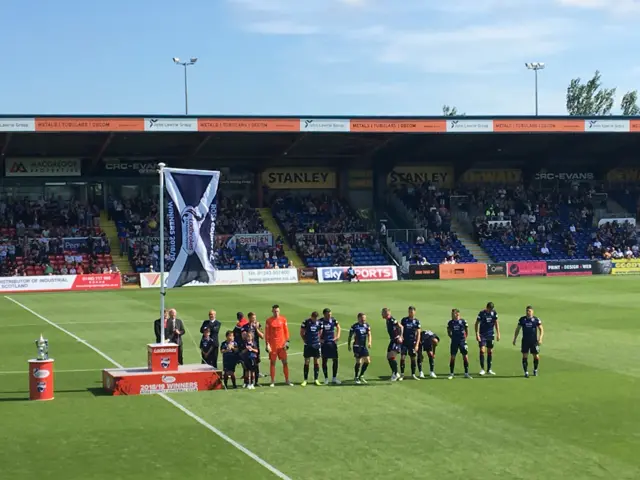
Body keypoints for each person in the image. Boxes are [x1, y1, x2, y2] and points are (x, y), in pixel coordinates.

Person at [265, 304, 292, 387]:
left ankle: (287, 380)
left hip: (282, 345)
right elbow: (267, 333)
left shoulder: (283, 319)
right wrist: (267, 344)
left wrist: (287, 341)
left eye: (277, 311)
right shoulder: (269, 320)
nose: (276, 312)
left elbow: (286, 331)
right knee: (272, 363)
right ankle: (272, 381)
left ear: (279, 311)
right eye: (275, 311)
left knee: (285, 362)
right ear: (272, 311)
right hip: (273, 345)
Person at [513, 305, 544, 378]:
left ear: (532, 312)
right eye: (527, 311)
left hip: (534, 341)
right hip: (525, 341)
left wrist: (540, 338)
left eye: (529, 311)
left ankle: (535, 370)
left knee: (536, 356)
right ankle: (526, 372)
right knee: (524, 356)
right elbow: (518, 329)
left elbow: (541, 329)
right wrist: (515, 338)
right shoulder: (522, 319)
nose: (528, 312)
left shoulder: (536, 320)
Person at [475, 302, 500, 376]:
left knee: (490, 350)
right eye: (489, 309)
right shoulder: (482, 313)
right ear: (487, 308)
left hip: (490, 334)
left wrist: (498, 333)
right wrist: (477, 334)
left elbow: (496, 323)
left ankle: (489, 369)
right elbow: (476, 323)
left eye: (491, 309)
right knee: (482, 350)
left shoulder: (494, 313)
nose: (490, 310)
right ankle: (482, 369)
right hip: (482, 334)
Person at [447, 308, 472, 379]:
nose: (452, 315)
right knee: (452, 357)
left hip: (462, 341)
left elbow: (466, 330)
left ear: (457, 314)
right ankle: (451, 373)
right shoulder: (450, 322)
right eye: (451, 314)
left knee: (465, 356)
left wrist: (464, 338)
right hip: (454, 341)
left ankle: (466, 373)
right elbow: (448, 331)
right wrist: (451, 337)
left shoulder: (463, 321)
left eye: (453, 314)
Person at [348, 312, 372, 384]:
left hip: (363, 346)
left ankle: (361, 375)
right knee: (358, 362)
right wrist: (349, 345)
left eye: (364, 319)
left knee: (367, 361)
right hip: (356, 346)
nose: (363, 320)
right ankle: (356, 377)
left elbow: (369, 334)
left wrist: (369, 342)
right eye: (362, 319)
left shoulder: (366, 325)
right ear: (358, 318)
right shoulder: (354, 326)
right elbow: (350, 336)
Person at [320, 307, 342, 385]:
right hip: (324, 344)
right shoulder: (321, 321)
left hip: (332, 343)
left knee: (335, 360)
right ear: (324, 314)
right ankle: (326, 378)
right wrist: (319, 339)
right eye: (328, 314)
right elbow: (316, 330)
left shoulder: (333, 320)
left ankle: (334, 378)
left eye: (330, 314)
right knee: (324, 360)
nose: (329, 316)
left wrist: (338, 336)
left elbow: (338, 327)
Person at [300, 311, 322, 386]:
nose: (315, 319)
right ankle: (305, 380)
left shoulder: (319, 323)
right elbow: (302, 332)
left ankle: (316, 379)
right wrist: (305, 340)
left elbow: (320, 332)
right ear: (311, 317)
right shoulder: (306, 322)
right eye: (314, 318)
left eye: (316, 318)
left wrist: (318, 340)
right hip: (308, 345)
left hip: (316, 345)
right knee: (307, 361)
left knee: (316, 361)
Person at [400, 306, 422, 380]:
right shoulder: (404, 320)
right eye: (409, 312)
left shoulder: (416, 321)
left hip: (412, 342)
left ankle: (413, 374)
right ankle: (402, 374)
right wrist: (401, 336)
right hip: (404, 342)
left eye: (412, 312)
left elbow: (418, 333)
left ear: (414, 312)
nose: (411, 313)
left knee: (413, 358)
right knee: (402, 357)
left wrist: (417, 345)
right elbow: (401, 329)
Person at [243, 312, 264, 387]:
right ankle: (246, 382)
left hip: (255, 348)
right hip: (247, 348)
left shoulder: (258, 325)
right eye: (253, 318)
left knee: (256, 364)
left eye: (255, 317)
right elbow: (243, 337)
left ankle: (256, 382)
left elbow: (262, 336)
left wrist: (256, 328)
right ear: (249, 318)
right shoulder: (245, 326)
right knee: (246, 365)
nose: (254, 319)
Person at [382, 307, 403, 381]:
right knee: (388, 356)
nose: (382, 314)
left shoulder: (391, 320)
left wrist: (400, 337)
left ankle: (396, 373)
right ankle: (395, 373)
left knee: (391, 356)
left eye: (383, 313)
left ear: (386, 313)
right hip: (392, 340)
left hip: (396, 340)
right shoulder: (388, 320)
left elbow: (401, 326)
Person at [234, 312, 249, 385]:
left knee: (240, 360)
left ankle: (231, 374)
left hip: (240, 345)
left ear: (238, 317)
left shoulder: (239, 324)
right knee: (245, 362)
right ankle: (246, 376)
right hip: (246, 344)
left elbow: (235, 333)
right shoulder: (246, 321)